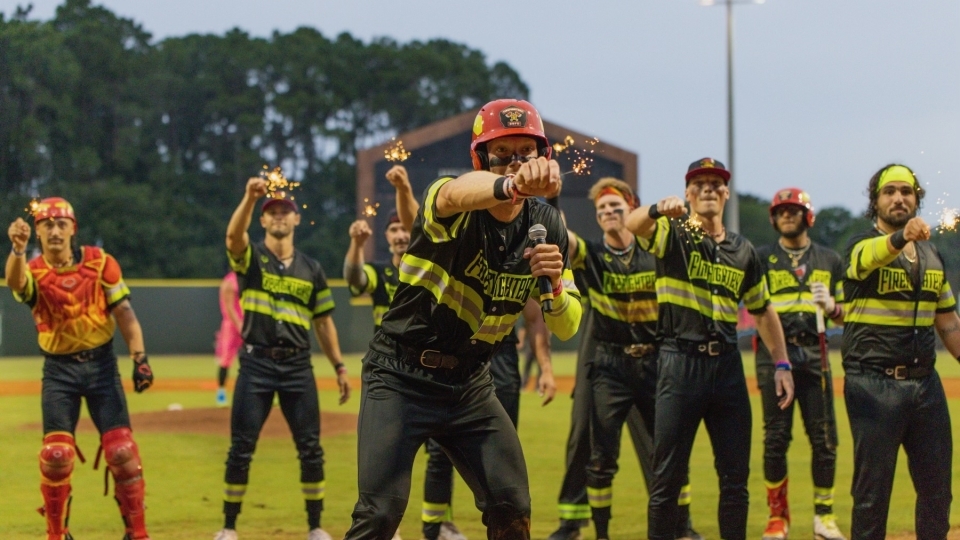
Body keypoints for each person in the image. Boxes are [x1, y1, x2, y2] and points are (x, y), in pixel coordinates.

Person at [341, 98, 581, 540]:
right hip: (401, 374)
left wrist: (555, 285)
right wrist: (509, 186)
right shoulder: (449, 197)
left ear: (543, 156)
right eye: (502, 153)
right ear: (480, 159)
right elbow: (453, 193)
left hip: (470, 385)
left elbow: (567, 326)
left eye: (526, 152)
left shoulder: (548, 223)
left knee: (513, 508)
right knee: (380, 514)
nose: (515, 162)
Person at [625, 158, 795, 540]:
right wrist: (656, 209)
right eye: (699, 183)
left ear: (726, 193)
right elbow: (633, 224)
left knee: (735, 479)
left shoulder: (743, 250)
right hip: (678, 362)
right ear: (688, 193)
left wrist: (782, 363)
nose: (708, 189)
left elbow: (763, 310)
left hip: (727, 368)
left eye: (716, 184)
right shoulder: (673, 233)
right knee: (667, 478)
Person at [550, 177, 699, 540]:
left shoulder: (655, 252)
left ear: (631, 209)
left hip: (656, 363)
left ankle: (682, 527)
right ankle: (595, 532)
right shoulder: (592, 255)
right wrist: (551, 197)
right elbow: (563, 237)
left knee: (670, 451)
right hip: (610, 363)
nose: (608, 214)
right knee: (599, 455)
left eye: (616, 207)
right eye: (602, 210)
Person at [6, 197, 155, 540]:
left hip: (102, 366)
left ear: (73, 228)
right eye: (47, 225)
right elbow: (15, 283)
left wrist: (140, 358)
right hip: (59, 372)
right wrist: (16, 250)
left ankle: (138, 533)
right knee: (55, 456)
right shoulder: (33, 271)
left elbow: (125, 314)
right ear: (39, 233)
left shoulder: (101, 263)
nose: (55, 231)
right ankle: (56, 534)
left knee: (123, 453)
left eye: (61, 224)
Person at [216, 182, 351, 540]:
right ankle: (229, 527)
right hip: (256, 365)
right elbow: (232, 236)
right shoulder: (251, 258)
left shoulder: (312, 268)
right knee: (241, 449)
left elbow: (323, 322)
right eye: (272, 212)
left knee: (311, 450)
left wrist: (338, 366)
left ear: (295, 219)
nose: (278, 216)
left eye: (284, 212)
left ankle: (315, 527)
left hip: (296, 367)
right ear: (263, 221)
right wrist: (249, 197)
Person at [841, 164, 960, 539]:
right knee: (872, 496)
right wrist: (899, 239)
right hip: (872, 385)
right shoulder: (861, 246)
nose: (898, 198)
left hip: (925, 385)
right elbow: (870, 256)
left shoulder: (931, 255)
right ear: (875, 201)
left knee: (937, 491)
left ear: (916, 199)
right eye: (889, 191)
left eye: (906, 192)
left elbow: (948, 322)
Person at [755, 188, 846, 540]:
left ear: (808, 216)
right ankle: (778, 518)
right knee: (776, 438)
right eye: (781, 211)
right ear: (773, 218)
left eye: (794, 210)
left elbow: (846, 317)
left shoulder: (829, 259)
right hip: (775, 356)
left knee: (824, 440)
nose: (787, 216)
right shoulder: (761, 258)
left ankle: (824, 516)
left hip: (816, 353)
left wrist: (833, 308)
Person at [216, 270, 244, 406]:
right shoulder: (230, 281)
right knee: (226, 359)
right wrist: (239, 325)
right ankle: (221, 394)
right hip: (232, 325)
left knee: (255, 358)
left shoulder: (247, 277)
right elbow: (229, 307)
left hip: (246, 323)